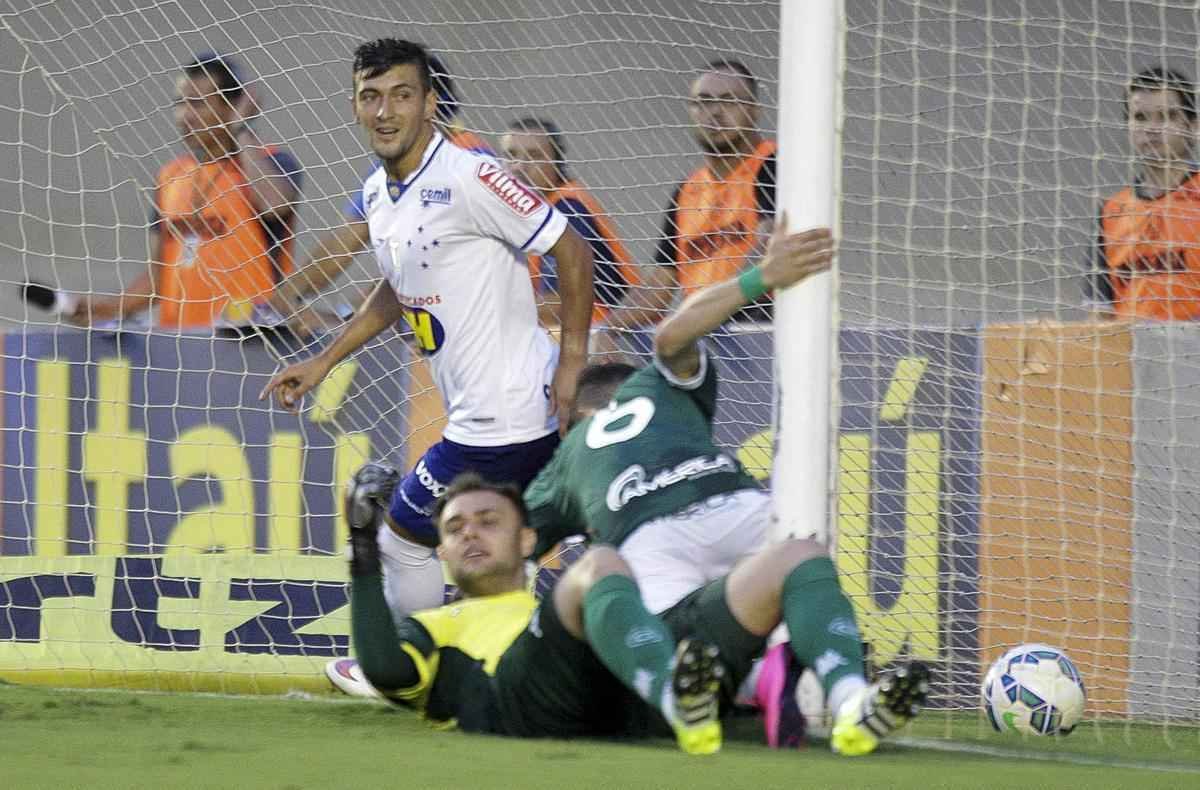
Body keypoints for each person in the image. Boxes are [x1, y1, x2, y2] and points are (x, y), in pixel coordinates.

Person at [258, 38, 593, 685]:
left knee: (404, 535)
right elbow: (397, 283)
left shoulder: (471, 176)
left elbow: (571, 250)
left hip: (504, 415)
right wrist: (325, 359)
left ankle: (411, 663)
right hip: (480, 414)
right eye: (371, 97)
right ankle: (503, 656)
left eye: (401, 96)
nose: (386, 111)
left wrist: (572, 360)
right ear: (355, 106)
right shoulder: (380, 196)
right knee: (513, 548)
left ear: (430, 104)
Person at [524, 215, 842, 747]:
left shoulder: (568, 457)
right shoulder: (663, 389)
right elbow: (673, 334)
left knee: (647, 636)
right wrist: (760, 275)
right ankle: (837, 683)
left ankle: (745, 683)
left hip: (650, 551)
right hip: (741, 510)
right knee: (799, 570)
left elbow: (515, 546)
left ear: (573, 418)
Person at [347, 471, 927, 757]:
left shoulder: (585, 608)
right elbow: (386, 670)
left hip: (620, 695)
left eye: (487, 521)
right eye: (455, 529)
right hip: (516, 705)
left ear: (527, 540)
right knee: (600, 563)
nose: (470, 533)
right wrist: (365, 547)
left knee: (797, 554)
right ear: (441, 553)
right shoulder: (436, 626)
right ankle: (684, 698)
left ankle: (853, 701)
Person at [64, 52, 302, 329]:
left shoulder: (271, 163)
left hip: (249, 341)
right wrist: (108, 308)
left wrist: (241, 129)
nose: (185, 116)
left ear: (233, 106)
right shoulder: (170, 176)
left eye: (198, 104)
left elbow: (275, 205)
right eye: (180, 104)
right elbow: (159, 275)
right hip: (180, 347)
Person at [266, 53, 493, 334]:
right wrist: (285, 296)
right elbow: (348, 239)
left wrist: (348, 319)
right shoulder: (393, 164)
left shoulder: (472, 161)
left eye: (397, 97)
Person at [594, 59, 776, 353]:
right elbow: (661, 283)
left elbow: (767, 253)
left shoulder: (772, 166)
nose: (714, 112)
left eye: (728, 101)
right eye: (702, 102)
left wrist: (711, 310)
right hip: (704, 335)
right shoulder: (687, 190)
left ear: (754, 110)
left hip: (760, 330)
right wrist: (609, 328)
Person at [1085, 66, 1200, 321]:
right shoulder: (1112, 210)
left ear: (1193, 126)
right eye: (1140, 117)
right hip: (1132, 354)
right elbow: (1100, 313)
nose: (1152, 128)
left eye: (1167, 116)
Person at [499, 117, 639, 325]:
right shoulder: (526, 213)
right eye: (511, 155)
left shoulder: (567, 210)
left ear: (557, 163)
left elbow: (561, 304)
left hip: (610, 336)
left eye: (534, 156)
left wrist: (491, 311)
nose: (519, 166)